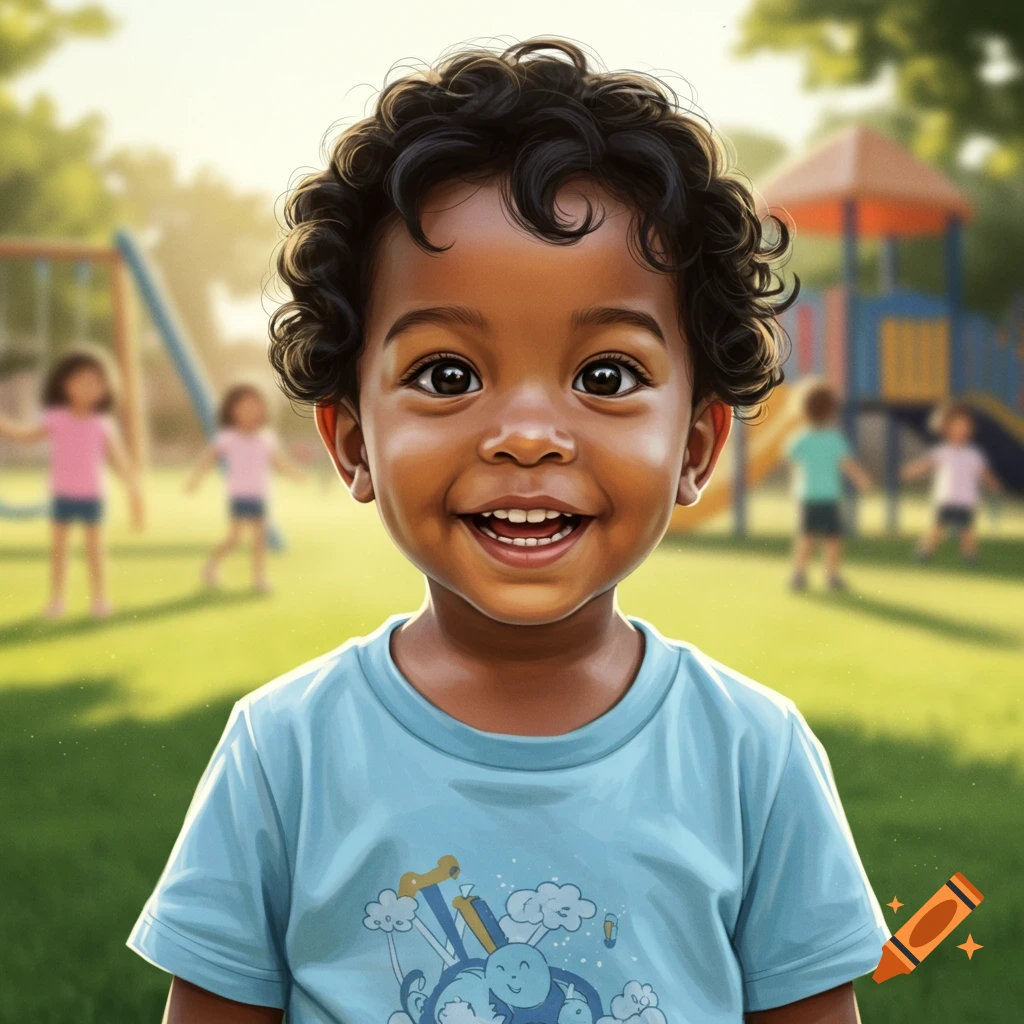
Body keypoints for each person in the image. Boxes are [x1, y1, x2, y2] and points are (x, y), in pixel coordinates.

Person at [130, 41, 887, 1024]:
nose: (528, 434)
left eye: (605, 376)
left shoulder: (754, 756)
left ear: (696, 444)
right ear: (352, 442)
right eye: (448, 375)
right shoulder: (285, 753)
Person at [0, 347, 143, 617]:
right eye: (82, 382)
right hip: (62, 494)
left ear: (105, 389)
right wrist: (4, 425)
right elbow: (25, 436)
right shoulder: (56, 419)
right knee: (59, 551)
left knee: (95, 550)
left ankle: (99, 599)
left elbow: (120, 460)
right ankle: (57, 600)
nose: (89, 389)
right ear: (66, 385)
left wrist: (132, 487)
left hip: (93, 496)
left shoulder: (104, 424)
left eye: (96, 383)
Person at [184, 383, 302, 592]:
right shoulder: (228, 438)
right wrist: (195, 479)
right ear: (233, 410)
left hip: (260, 496)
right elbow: (208, 458)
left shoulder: (266, 438)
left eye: (255, 405)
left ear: (263, 409)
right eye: (244, 406)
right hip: (239, 496)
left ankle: (259, 578)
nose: (250, 410)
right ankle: (211, 566)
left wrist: (294, 475)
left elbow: (279, 462)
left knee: (259, 539)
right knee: (235, 538)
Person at [784, 382, 872, 591]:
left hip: (808, 496)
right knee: (832, 538)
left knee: (807, 537)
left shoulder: (802, 438)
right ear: (831, 411)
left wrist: (796, 485)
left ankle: (800, 575)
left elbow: (792, 462)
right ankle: (830, 576)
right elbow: (848, 465)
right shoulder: (834, 439)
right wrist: (862, 480)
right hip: (827, 497)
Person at [901, 402, 1002, 563]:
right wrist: (910, 472)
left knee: (967, 530)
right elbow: (926, 465)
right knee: (937, 528)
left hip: (966, 500)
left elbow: (983, 472)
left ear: (970, 429)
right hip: (946, 498)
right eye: (957, 426)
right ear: (946, 428)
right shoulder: (942, 451)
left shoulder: (974, 454)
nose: (961, 430)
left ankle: (970, 555)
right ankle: (925, 551)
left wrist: (992, 482)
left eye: (965, 426)